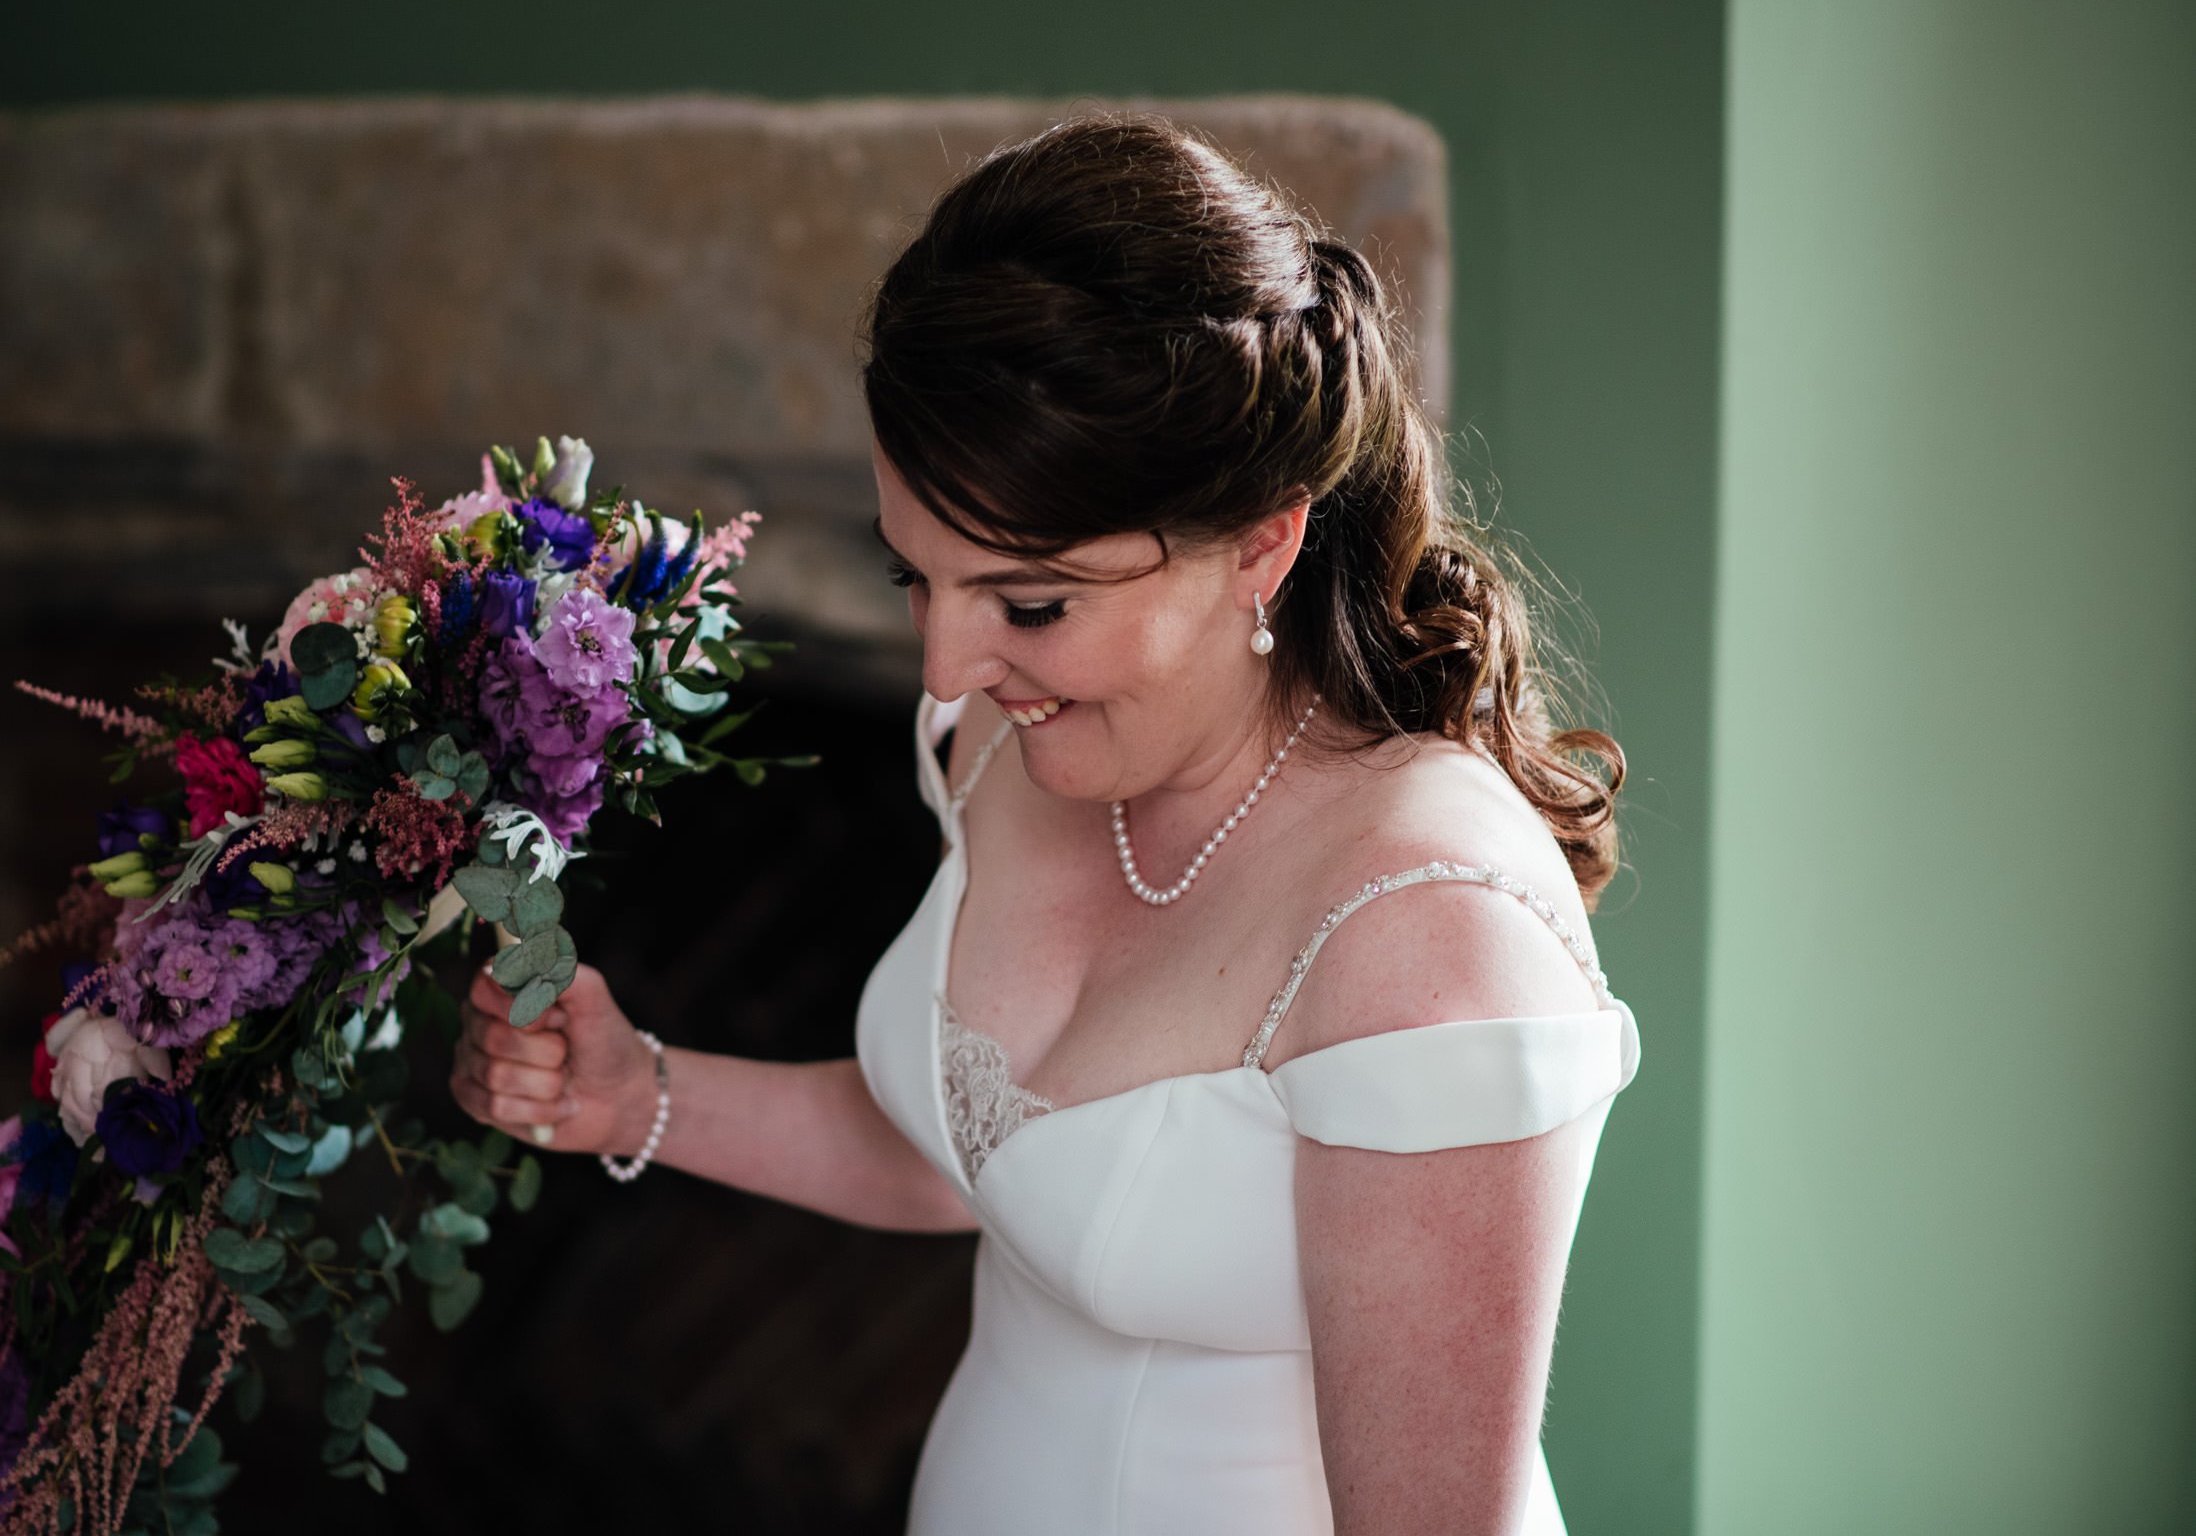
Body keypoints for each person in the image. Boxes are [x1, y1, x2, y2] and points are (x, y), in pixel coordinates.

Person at [451, 114, 1640, 1535]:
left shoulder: (1429, 936)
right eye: (915, 575)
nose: (946, 672)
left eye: (1029, 603)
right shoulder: (1013, 735)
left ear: (1264, 536)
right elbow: (993, 1158)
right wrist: (634, 1092)